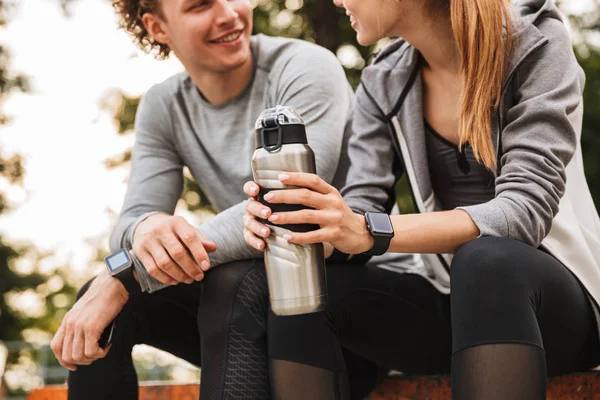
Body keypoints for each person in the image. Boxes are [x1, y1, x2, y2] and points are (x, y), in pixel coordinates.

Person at [242, 0, 600, 398]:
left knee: (486, 259)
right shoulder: (383, 78)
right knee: (304, 291)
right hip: (452, 303)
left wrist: (366, 229)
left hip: (556, 307)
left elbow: (524, 211)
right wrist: (311, 229)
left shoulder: (536, 39)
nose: (337, 1)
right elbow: (364, 204)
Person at [49, 0, 392, 398]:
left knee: (214, 282)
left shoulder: (304, 66)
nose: (229, 13)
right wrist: (148, 229)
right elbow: (131, 222)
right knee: (106, 299)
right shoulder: (164, 105)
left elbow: (285, 203)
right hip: (250, 313)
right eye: (200, 5)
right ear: (157, 27)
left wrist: (125, 276)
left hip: (350, 312)